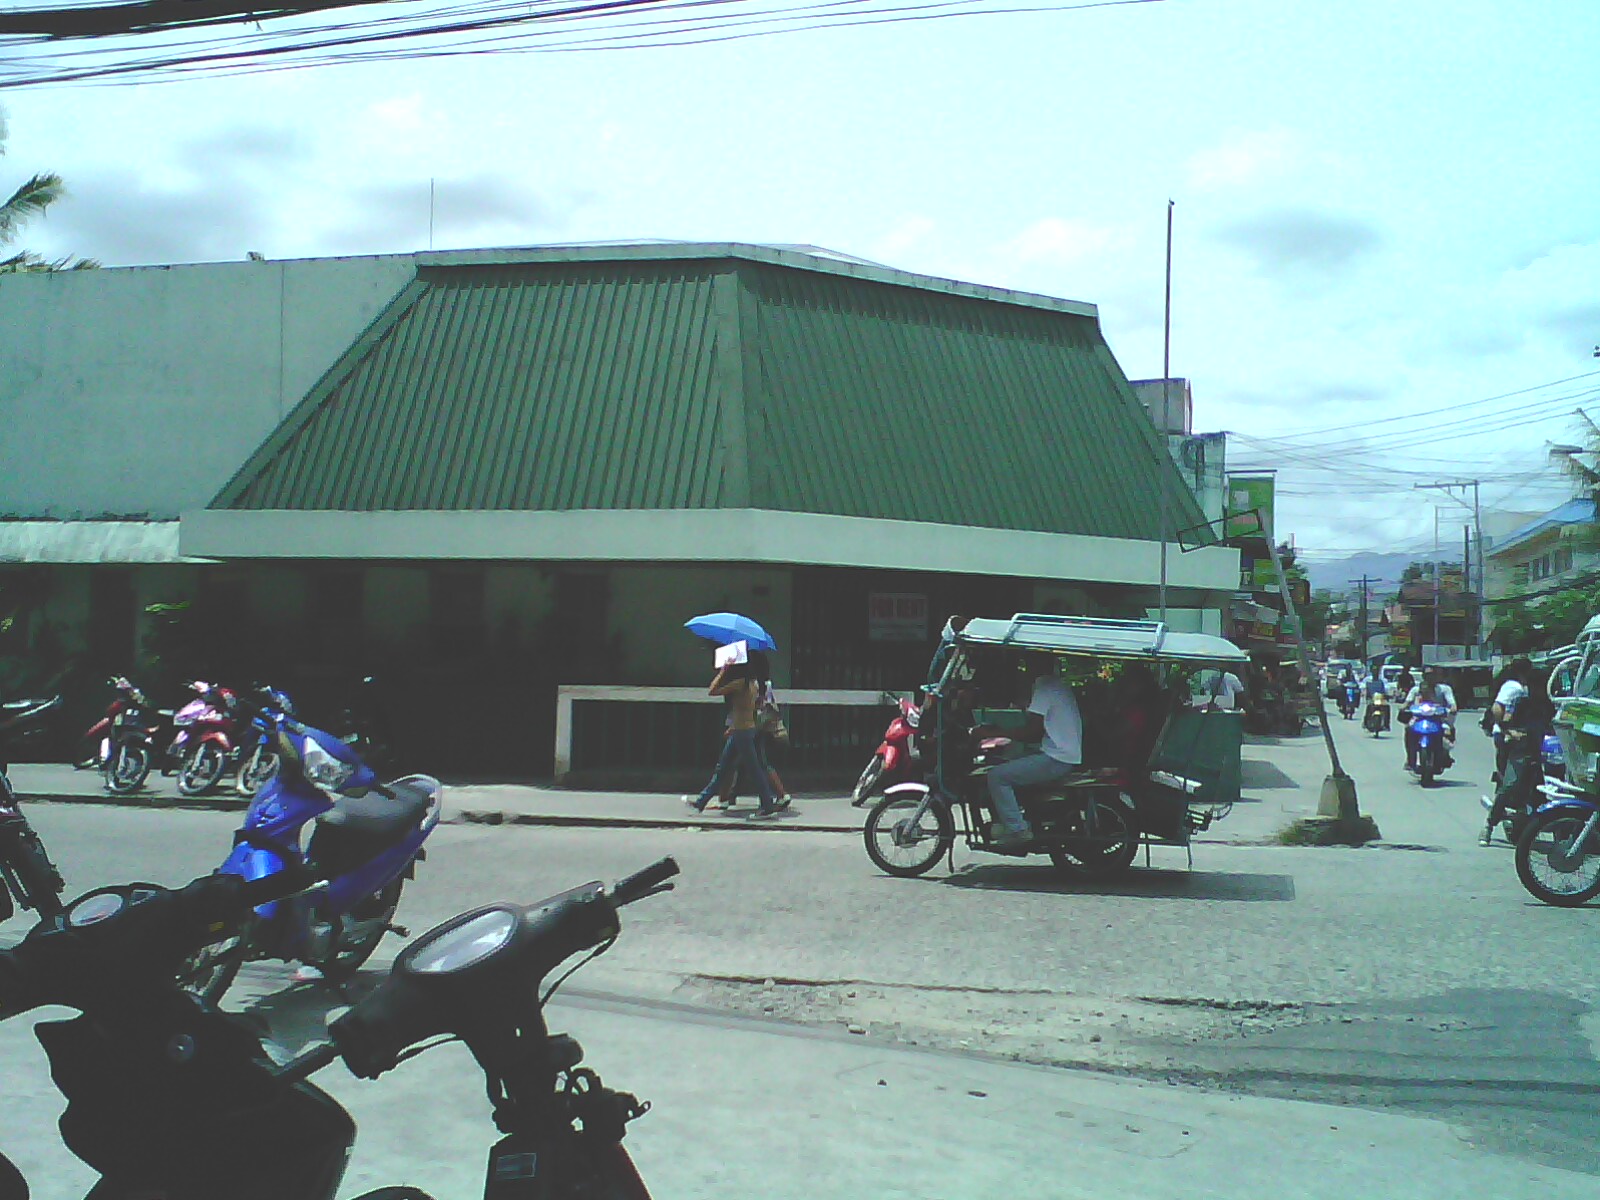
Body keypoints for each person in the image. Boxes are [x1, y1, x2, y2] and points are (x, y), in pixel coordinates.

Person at [971, 653, 1082, 848]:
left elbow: (1032, 731)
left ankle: (1017, 829)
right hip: (1062, 753)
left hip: (1057, 758)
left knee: (997, 776)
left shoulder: (1044, 688)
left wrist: (995, 732)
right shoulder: (1055, 686)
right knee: (1006, 762)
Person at [681, 656, 782, 820]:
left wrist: (723, 670)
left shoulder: (740, 683)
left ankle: (767, 806)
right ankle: (701, 802)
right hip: (743, 729)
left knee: (754, 769)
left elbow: (712, 690)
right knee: (723, 768)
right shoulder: (754, 683)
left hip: (742, 731)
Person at [1481, 658, 1552, 846]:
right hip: (1522, 751)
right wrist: (1510, 731)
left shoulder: (1549, 703)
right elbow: (1506, 719)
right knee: (1510, 785)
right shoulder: (1521, 701)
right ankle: (1489, 825)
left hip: (1545, 752)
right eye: (1536, 683)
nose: (1539, 688)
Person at [717, 651, 791, 810]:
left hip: (748, 727)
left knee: (736, 763)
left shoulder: (748, 683)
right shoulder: (762, 684)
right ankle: (730, 797)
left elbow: (749, 707)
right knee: (751, 763)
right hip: (756, 727)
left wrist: (723, 671)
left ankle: (725, 798)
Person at [1401, 670, 1456, 773]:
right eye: (1427, 675)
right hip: (1419, 718)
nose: (1430, 678)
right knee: (1408, 729)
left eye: (1432, 675)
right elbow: (1407, 702)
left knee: (1447, 730)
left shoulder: (1444, 689)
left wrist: (1452, 708)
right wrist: (1403, 707)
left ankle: (1445, 755)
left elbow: (1452, 703)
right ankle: (1410, 758)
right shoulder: (1416, 690)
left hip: (1438, 718)